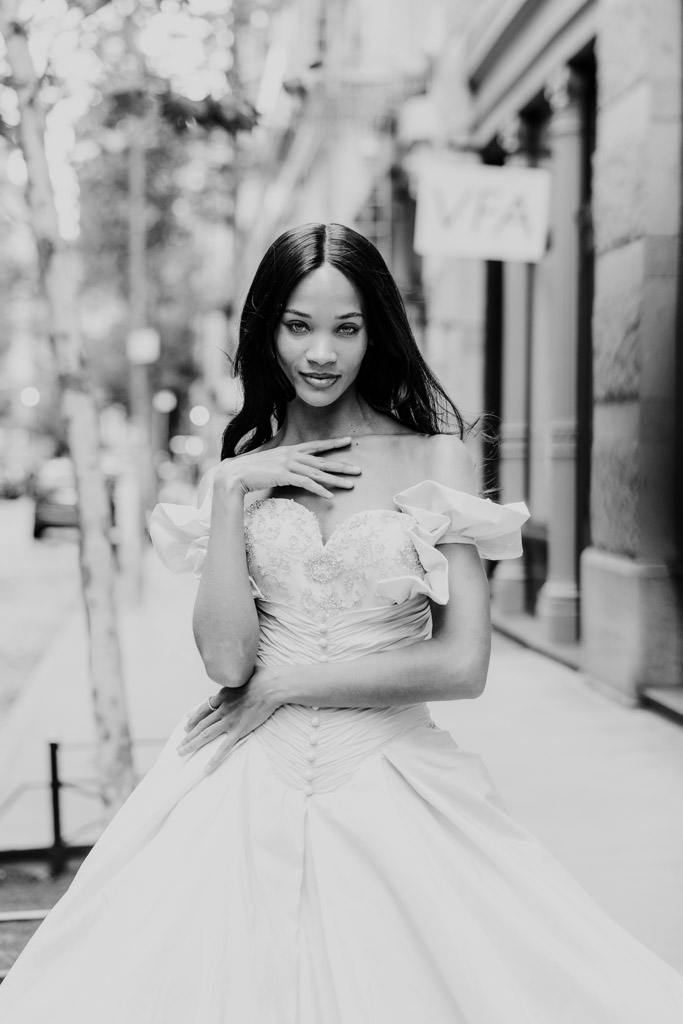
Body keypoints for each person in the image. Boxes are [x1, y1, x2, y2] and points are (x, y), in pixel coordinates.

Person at [1, 223, 681, 1023]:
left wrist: (286, 684)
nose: (320, 352)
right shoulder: (242, 467)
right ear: (267, 331)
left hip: (388, 774)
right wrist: (231, 488)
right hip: (241, 780)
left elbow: (462, 664)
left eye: (346, 328)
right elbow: (226, 663)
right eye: (299, 326)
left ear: (375, 332)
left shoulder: (434, 459)